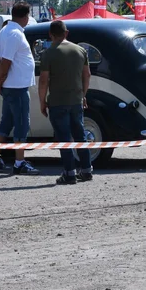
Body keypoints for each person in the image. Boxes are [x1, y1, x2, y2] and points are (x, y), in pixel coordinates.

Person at [38, 20, 93, 185]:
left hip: (57, 101)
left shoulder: (48, 53)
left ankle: (69, 173)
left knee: (64, 138)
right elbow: (87, 75)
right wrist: (83, 95)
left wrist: (42, 101)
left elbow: (43, 81)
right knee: (80, 136)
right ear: (66, 33)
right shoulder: (81, 51)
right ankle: (86, 170)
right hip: (76, 100)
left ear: (50, 35)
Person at [0, 2, 39, 175]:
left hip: (11, 85)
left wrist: (0, 80)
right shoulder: (15, 34)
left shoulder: (4, 32)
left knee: (6, 122)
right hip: (17, 87)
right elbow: (6, 62)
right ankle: (19, 162)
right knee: (22, 124)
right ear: (25, 16)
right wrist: (0, 81)